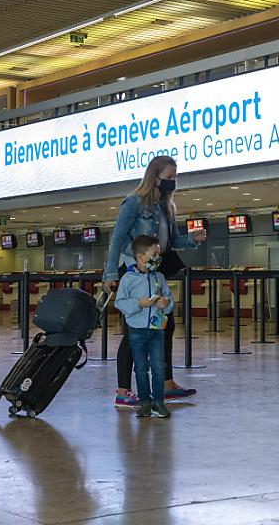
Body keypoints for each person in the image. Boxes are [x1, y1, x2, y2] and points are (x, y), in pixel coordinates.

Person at [103, 155, 206, 408]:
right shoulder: (133, 203)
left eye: (175, 177)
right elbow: (117, 239)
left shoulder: (167, 208)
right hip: (134, 272)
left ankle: (166, 385)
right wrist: (110, 274)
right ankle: (123, 392)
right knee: (134, 330)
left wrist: (191, 239)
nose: (173, 181)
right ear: (155, 177)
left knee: (164, 325)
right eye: (169, 177)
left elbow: (171, 242)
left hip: (156, 274)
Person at [114, 235, 174, 418]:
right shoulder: (128, 279)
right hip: (136, 330)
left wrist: (166, 303)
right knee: (140, 367)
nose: (158, 258)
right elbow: (119, 302)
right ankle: (144, 402)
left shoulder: (159, 277)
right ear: (140, 257)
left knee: (158, 366)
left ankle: (159, 402)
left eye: (158, 254)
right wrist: (139, 304)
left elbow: (169, 299)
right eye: (154, 254)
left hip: (157, 330)